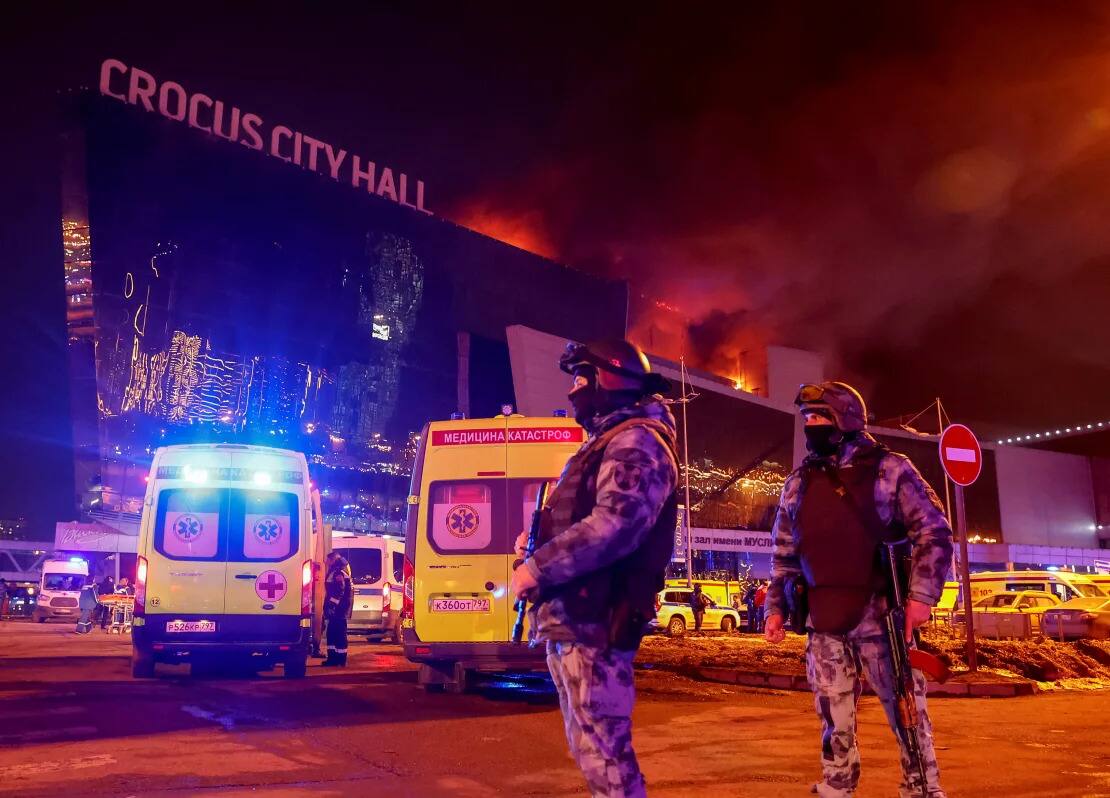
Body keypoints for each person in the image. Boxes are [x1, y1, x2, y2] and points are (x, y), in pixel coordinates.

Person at [764, 381, 953, 798]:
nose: (811, 425)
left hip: (881, 616)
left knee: (905, 710)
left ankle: (922, 787)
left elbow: (934, 533)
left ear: (845, 420)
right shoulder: (798, 482)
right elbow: (784, 554)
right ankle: (837, 784)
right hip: (823, 617)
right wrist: (775, 607)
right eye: (807, 418)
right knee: (833, 711)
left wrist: (922, 597)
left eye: (820, 417)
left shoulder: (890, 469)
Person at [510, 339, 679, 798]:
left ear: (612, 381)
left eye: (582, 379)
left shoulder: (637, 441)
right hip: (577, 620)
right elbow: (588, 517)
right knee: (592, 751)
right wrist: (537, 541)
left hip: (598, 622)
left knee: (606, 753)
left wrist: (537, 568)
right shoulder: (606, 443)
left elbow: (616, 525)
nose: (573, 391)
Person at [322, 554, 352, 667]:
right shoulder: (337, 571)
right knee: (332, 633)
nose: (326, 562)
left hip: (338, 610)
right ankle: (334, 659)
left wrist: (332, 605)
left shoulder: (338, 572)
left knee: (338, 634)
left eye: (328, 560)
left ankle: (339, 659)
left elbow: (340, 591)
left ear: (333, 559)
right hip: (338, 609)